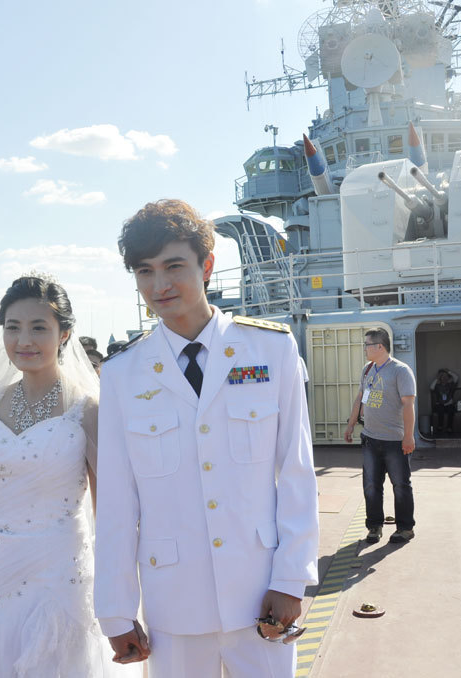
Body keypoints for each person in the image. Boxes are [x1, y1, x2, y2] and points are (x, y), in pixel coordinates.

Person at [95, 200, 319, 677]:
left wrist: (293, 578)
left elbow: (297, 472)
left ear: (208, 266)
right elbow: (117, 502)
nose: (159, 285)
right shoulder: (122, 375)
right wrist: (115, 609)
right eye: (145, 271)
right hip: (174, 600)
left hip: (260, 590)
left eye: (174, 266)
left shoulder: (270, 349)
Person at [0, 275, 142, 678]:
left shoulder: (87, 407)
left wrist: (119, 602)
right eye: (12, 327)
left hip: (65, 576)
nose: (24, 340)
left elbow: (109, 512)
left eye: (39, 327)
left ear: (64, 334)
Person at [344, 327, 416, 544]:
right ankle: (374, 527)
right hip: (370, 440)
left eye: (367, 344)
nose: (364, 348)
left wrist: (409, 437)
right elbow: (360, 399)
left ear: (379, 346)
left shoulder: (400, 371)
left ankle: (405, 528)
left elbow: (408, 405)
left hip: (395, 441)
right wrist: (351, 424)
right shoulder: (368, 369)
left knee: (401, 485)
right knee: (371, 486)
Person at [430, 369, 458, 435]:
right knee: (440, 409)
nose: (444, 378)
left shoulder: (450, 385)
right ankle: (440, 426)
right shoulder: (437, 386)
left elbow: (456, 378)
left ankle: (449, 428)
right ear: (440, 378)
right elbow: (431, 387)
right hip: (440, 404)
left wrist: (448, 372)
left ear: (448, 377)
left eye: (446, 376)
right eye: (442, 376)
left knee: (451, 409)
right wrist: (437, 378)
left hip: (449, 404)